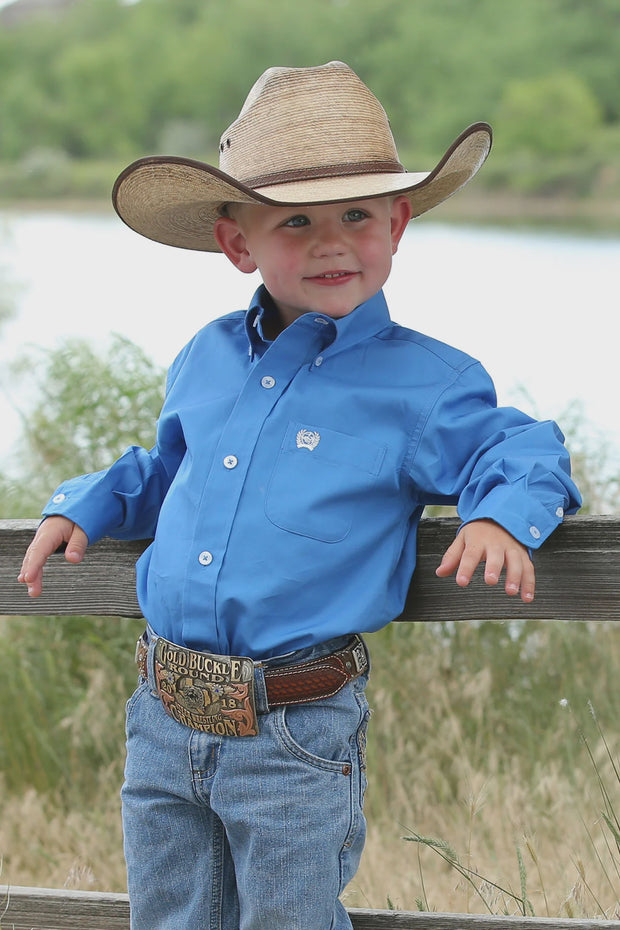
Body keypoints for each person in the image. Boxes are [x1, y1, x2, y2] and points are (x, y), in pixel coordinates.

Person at [18, 61, 581, 930]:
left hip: (294, 729)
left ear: (397, 226)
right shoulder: (208, 357)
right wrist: (82, 505)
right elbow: (166, 471)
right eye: (296, 223)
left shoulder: (424, 386)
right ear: (238, 244)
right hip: (163, 714)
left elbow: (523, 447)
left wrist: (503, 512)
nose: (332, 242)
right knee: (166, 919)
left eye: (359, 215)